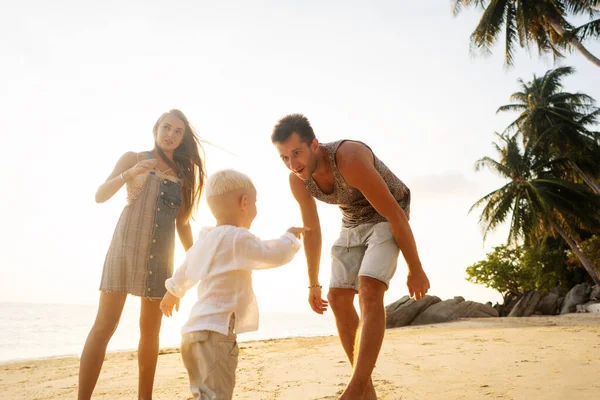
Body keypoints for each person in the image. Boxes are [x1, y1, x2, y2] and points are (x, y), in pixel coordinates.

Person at [271, 114, 430, 400]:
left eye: (297, 153)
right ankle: (366, 394)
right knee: (338, 298)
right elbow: (313, 230)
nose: (293, 164)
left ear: (315, 145)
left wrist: (415, 268)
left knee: (369, 289)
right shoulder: (298, 181)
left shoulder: (349, 158)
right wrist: (312, 284)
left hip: (386, 215)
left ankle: (354, 391)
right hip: (352, 222)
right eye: (284, 158)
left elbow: (394, 213)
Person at [78, 109, 206, 400]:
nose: (170, 135)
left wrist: (195, 260)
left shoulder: (184, 175)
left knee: (151, 332)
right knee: (103, 327)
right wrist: (129, 174)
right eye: (166, 127)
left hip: (160, 258)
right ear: (155, 128)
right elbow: (100, 195)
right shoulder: (134, 157)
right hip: (124, 250)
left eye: (178, 132)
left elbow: (183, 222)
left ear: (183, 138)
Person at [160, 169, 307, 400]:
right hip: (216, 334)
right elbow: (271, 254)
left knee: (202, 393)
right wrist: (288, 237)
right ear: (245, 202)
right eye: (255, 202)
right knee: (217, 395)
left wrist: (173, 292)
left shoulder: (206, 239)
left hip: (191, 334)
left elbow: (186, 268)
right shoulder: (237, 238)